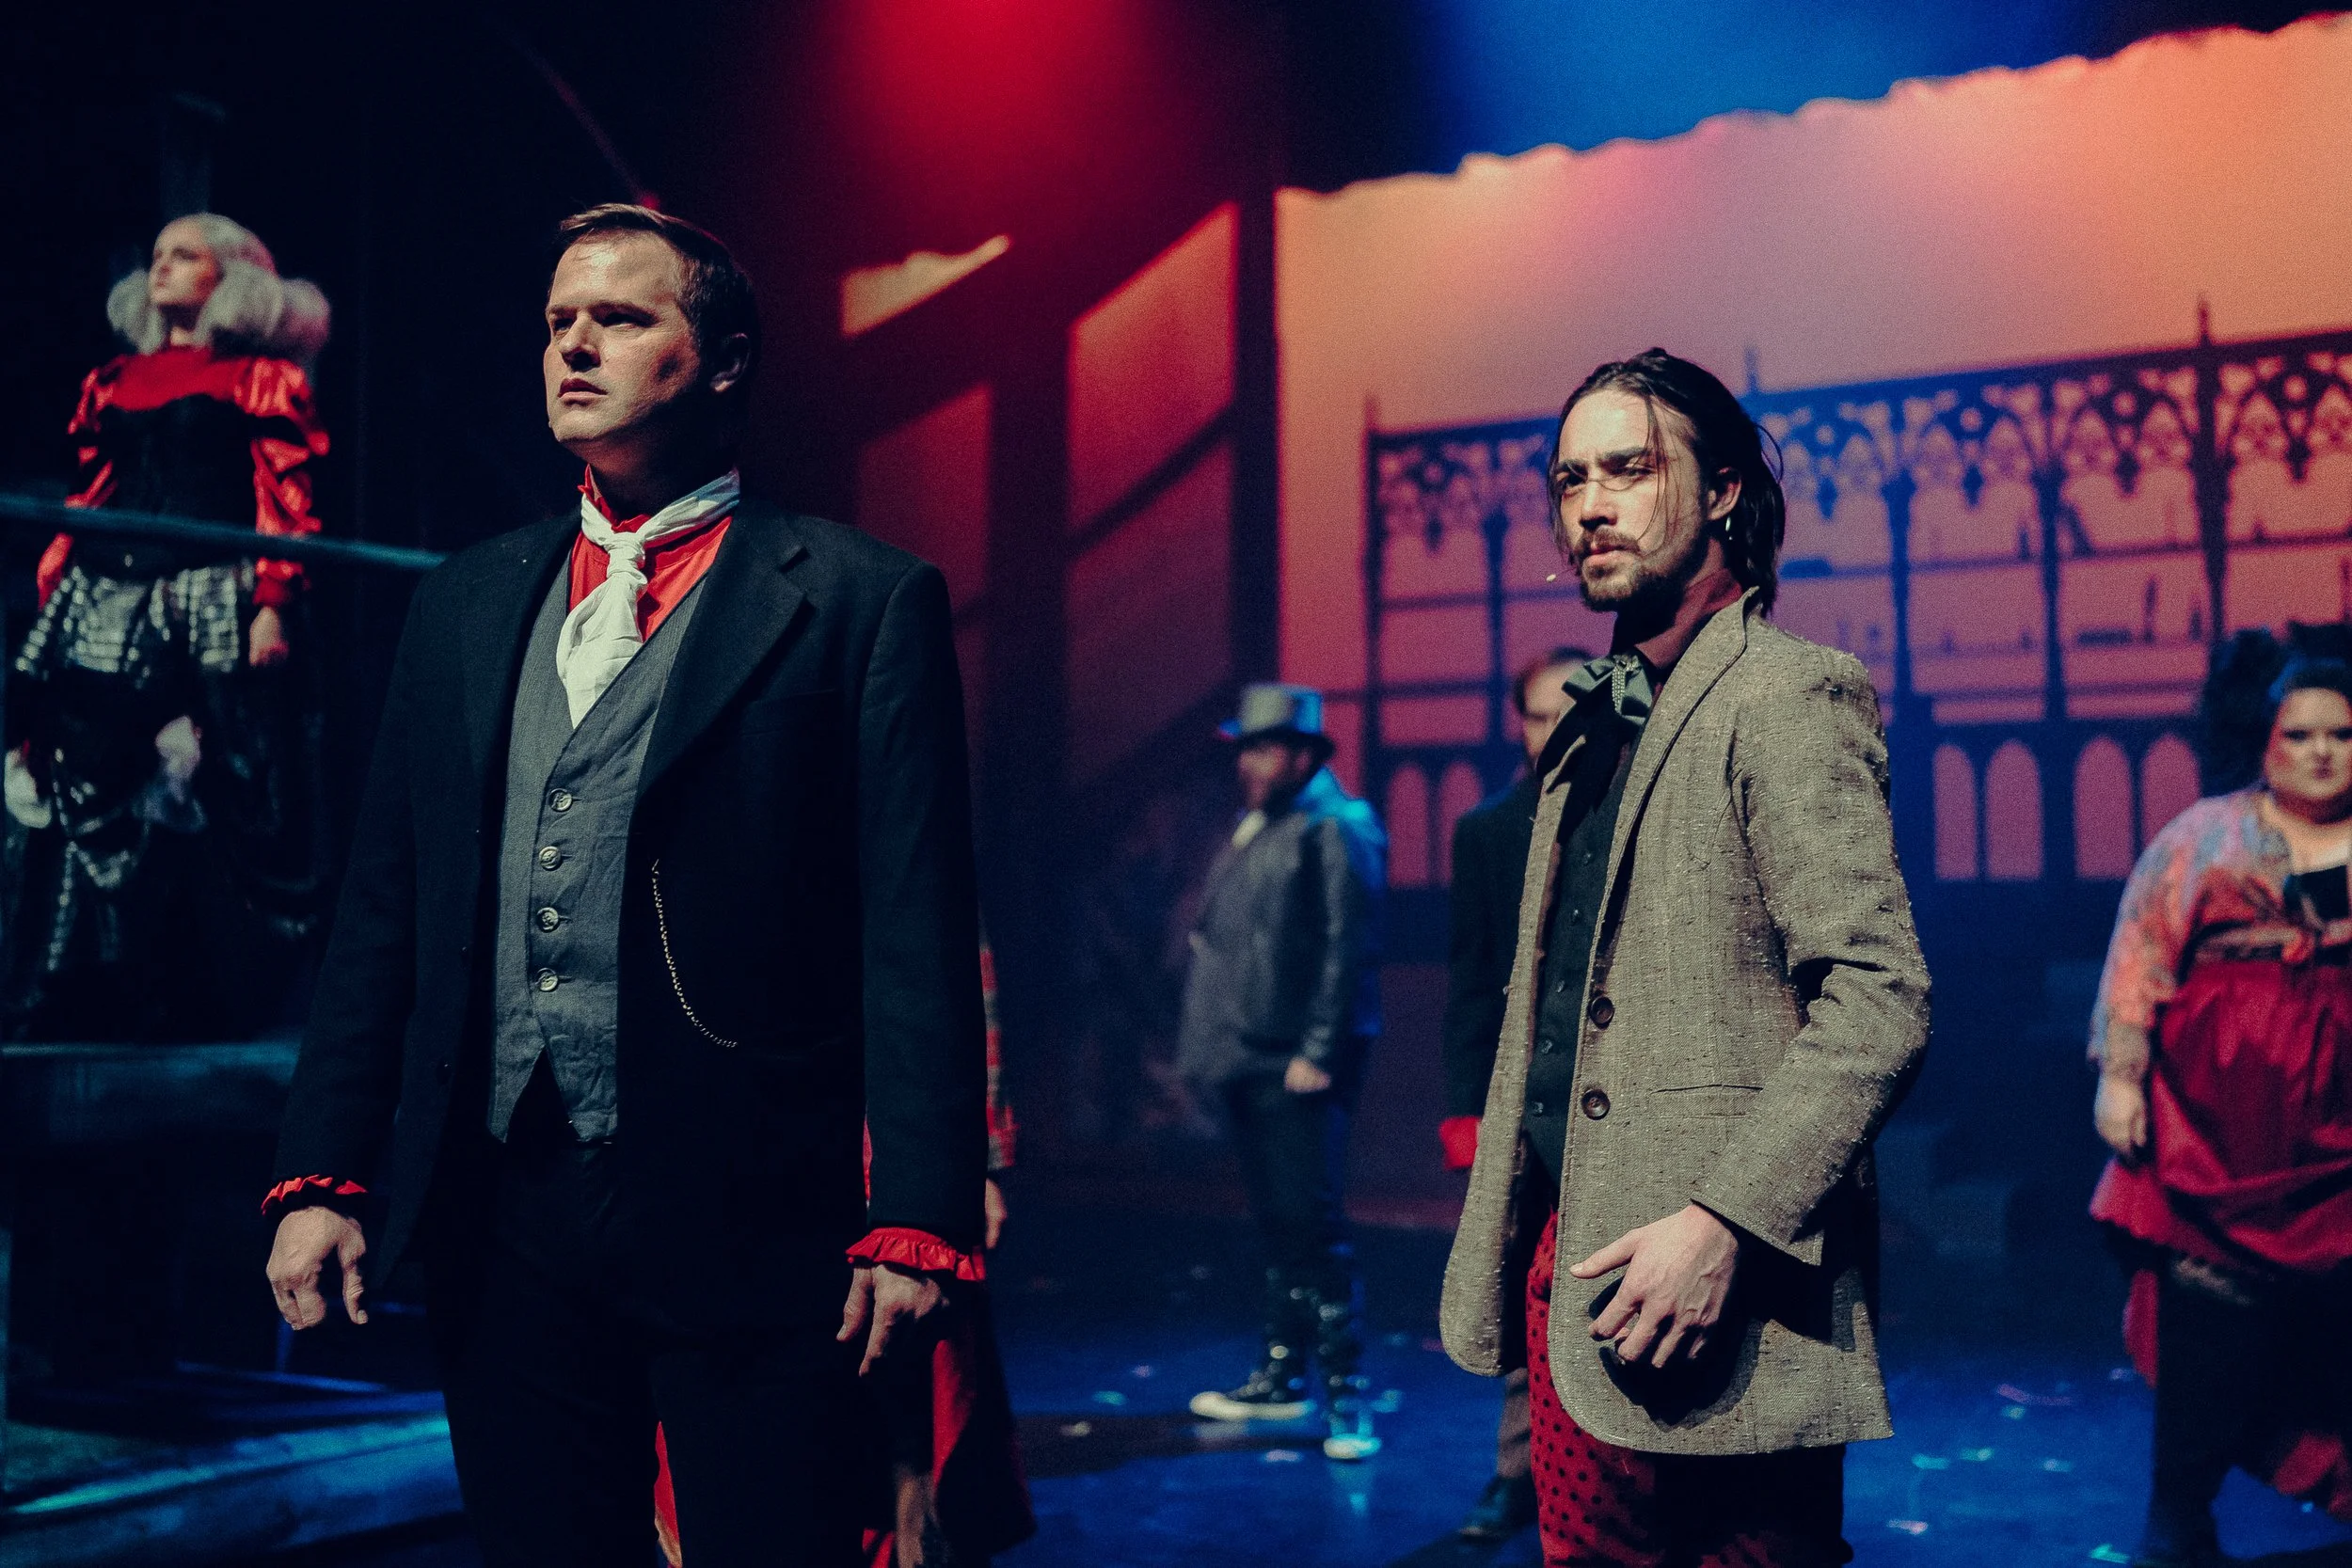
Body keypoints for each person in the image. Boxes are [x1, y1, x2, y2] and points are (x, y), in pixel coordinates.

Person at [262, 204, 987, 1567]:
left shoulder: (856, 598)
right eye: (555, 322)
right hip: (502, 1201)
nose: (574, 345)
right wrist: (324, 1169)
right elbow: (384, 913)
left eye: (621, 317)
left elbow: (917, 929)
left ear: (719, 359)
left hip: (752, 1203)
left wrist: (924, 1214)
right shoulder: (467, 601)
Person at [1438, 348, 1931, 1567]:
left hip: (1719, 1273)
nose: (1590, 504)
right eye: (1569, 479)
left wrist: (1726, 1221)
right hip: (1574, 1265)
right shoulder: (1589, 728)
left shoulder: (1787, 693)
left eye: (1628, 468)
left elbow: (1878, 998)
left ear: (1719, 489)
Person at [4, 213, 330, 1041]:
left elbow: (285, 495)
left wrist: (273, 601)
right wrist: (59, 581)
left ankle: (215, 987)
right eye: (156, 254)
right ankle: (83, 978)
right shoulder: (114, 379)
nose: (162, 267)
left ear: (231, 278)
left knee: (224, 773)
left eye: (184, 254)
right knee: (80, 762)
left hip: (209, 595)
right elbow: (94, 494)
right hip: (105, 593)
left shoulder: (258, 377)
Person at [651, 932, 1034, 1568]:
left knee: (912, 1419)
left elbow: (958, 967)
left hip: (887, 1168)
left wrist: (981, 1162)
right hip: (757, 1162)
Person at [2088, 652, 2352, 1568]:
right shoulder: (2204, 834)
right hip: (2216, 1119)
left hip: (2339, 1131)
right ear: (2265, 740)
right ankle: (2177, 1514)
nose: (2321, 753)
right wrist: (2120, 1076)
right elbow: (2138, 951)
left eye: (2340, 734)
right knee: (2210, 1321)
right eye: (2301, 734)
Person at [1180, 684, 1387, 1461]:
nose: (1250, 763)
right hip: (1251, 1055)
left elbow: (1349, 950)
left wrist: (1320, 1051)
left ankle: (1347, 1397)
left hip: (1295, 1061)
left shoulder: (1338, 826)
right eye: (1246, 749)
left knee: (1314, 1225)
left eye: (1263, 748)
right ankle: (1282, 1376)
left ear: (1303, 753)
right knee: (1279, 1225)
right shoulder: (1266, 823)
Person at [1440, 644, 1589, 1543]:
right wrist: (1465, 1112)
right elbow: (1470, 981)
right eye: (1539, 714)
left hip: (1613, 1093)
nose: (1555, 729)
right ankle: (1515, 1473)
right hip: (1524, 1100)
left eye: (1568, 710)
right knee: (1521, 1289)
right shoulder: (1489, 831)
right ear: (1518, 724)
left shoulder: (1624, 813)